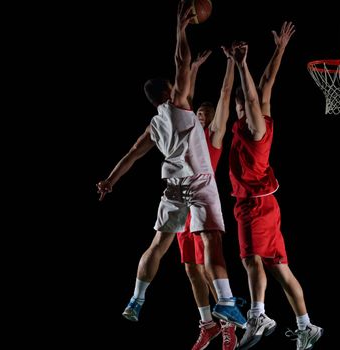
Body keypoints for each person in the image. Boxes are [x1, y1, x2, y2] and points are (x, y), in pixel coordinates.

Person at [96, 0, 246, 331]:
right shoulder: (179, 104)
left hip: (172, 188)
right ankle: (225, 302)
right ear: (169, 90)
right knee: (212, 240)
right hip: (199, 183)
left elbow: (131, 155)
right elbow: (183, 59)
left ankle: (136, 298)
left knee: (157, 245)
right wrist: (181, 29)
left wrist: (109, 181)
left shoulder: (154, 125)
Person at [225, 23, 323, 350]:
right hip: (264, 205)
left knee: (252, 259)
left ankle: (258, 314)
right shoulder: (260, 118)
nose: (245, 106)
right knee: (280, 269)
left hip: (255, 205)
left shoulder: (255, 130)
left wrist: (241, 64)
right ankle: (306, 325)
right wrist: (279, 49)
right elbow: (266, 84)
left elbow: (254, 93)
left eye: (243, 105)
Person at [177, 47, 238, 350]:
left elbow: (225, 95)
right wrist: (196, 67)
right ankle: (207, 325)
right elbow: (184, 102)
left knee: (207, 267)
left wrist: (230, 63)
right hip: (181, 205)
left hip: (203, 204)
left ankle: (228, 325)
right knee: (190, 268)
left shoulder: (213, 138)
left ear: (213, 120)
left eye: (206, 114)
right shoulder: (189, 134)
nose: (200, 117)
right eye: (199, 114)